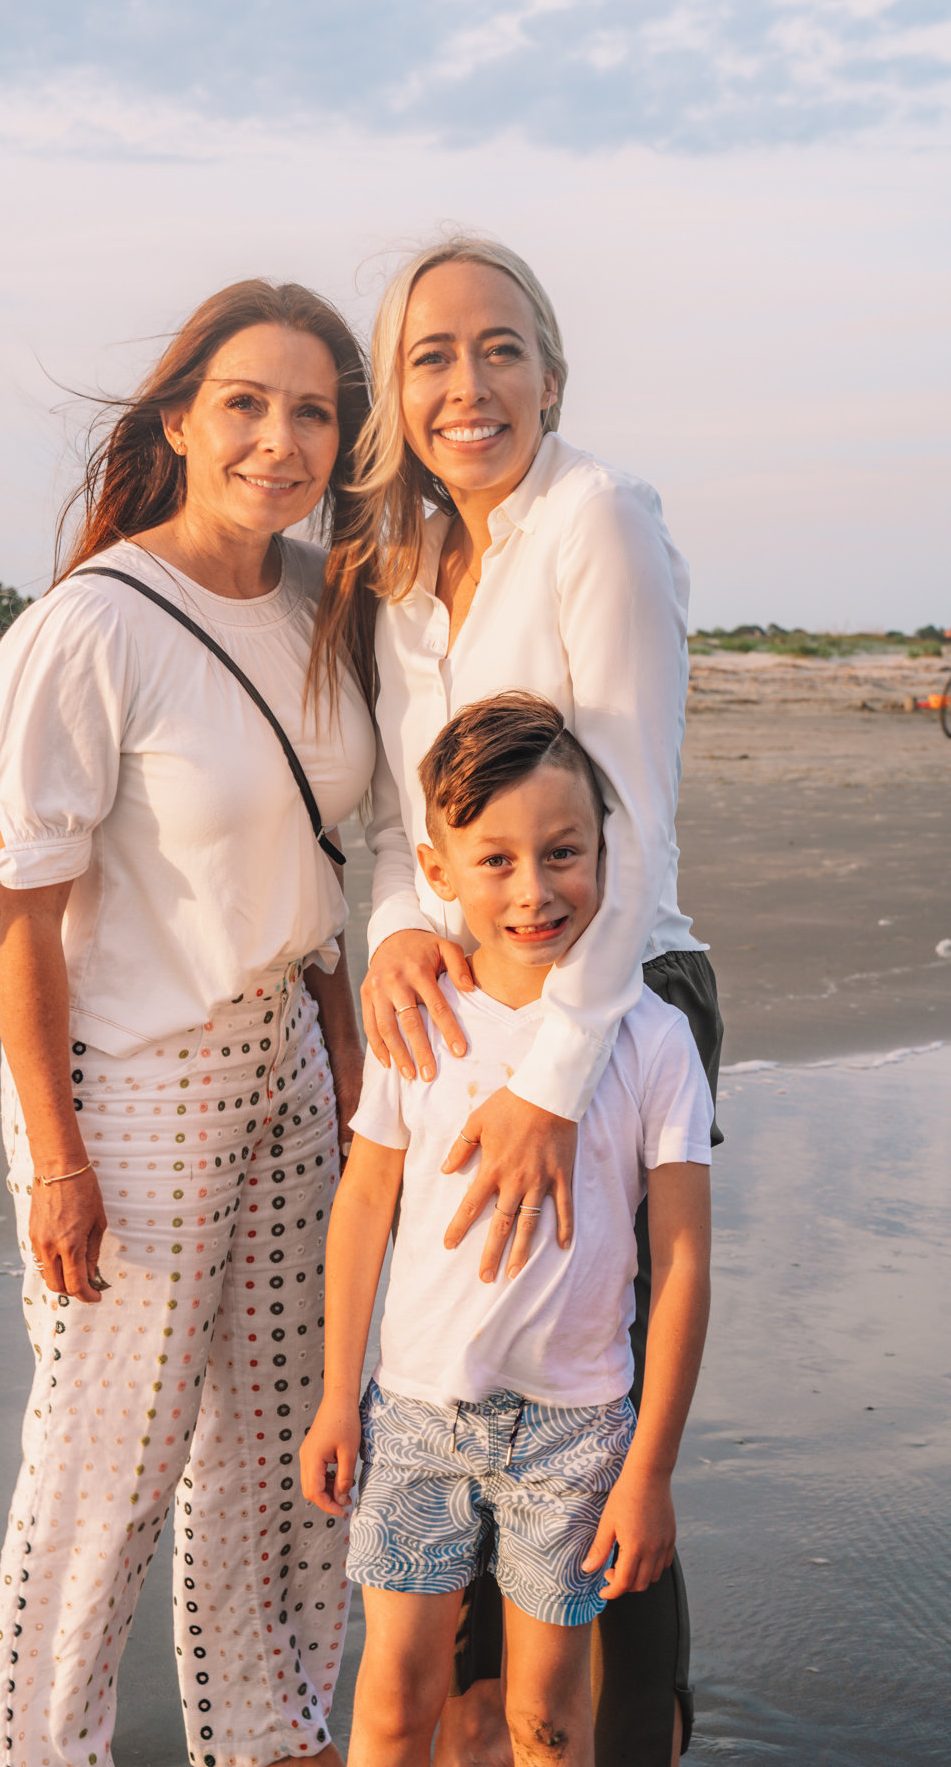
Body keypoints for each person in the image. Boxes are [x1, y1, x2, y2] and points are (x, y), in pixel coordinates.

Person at [0, 281, 378, 1767]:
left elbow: (316, 860)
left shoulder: (318, 603)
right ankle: (40, 1750)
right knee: (106, 1469)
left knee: (280, 1455)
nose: (278, 439)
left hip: (292, 1069)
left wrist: (349, 1044)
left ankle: (270, 1731)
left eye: (312, 411)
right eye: (245, 403)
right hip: (131, 1081)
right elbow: (21, 913)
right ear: (177, 420)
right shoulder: (90, 623)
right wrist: (55, 1155)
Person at [313, 236, 724, 1762]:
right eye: (429, 355)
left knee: (586, 1405)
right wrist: (398, 932)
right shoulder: (414, 576)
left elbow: (633, 816)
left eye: (499, 349)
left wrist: (552, 1080)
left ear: (552, 373)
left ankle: (630, 1737)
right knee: (458, 1366)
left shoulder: (594, 521)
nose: (465, 384)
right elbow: (399, 825)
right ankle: (485, 1730)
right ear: (394, 391)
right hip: (469, 987)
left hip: (611, 1002)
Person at [300, 693, 713, 1767]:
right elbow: (363, 1204)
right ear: (437, 871)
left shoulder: (650, 1038)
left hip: (575, 1433)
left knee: (548, 1718)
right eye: (494, 860)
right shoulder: (417, 1016)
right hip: (417, 1417)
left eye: (562, 852)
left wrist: (649, 1468)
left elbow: (678, 1263)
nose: (533, 890)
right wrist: (336, 1395)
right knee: (392, 1708)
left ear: (605, 851)